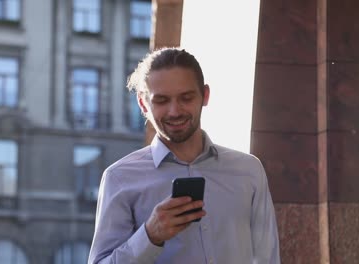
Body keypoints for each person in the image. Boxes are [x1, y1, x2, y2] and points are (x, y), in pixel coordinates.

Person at [88, 47, 280, 264]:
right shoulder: (120, 178)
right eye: (161, 101)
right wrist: (150, 235)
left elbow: (267, 258)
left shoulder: (248, 170)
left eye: (186, 98)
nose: (174, 111)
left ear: (205, 95)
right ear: (143, 104)